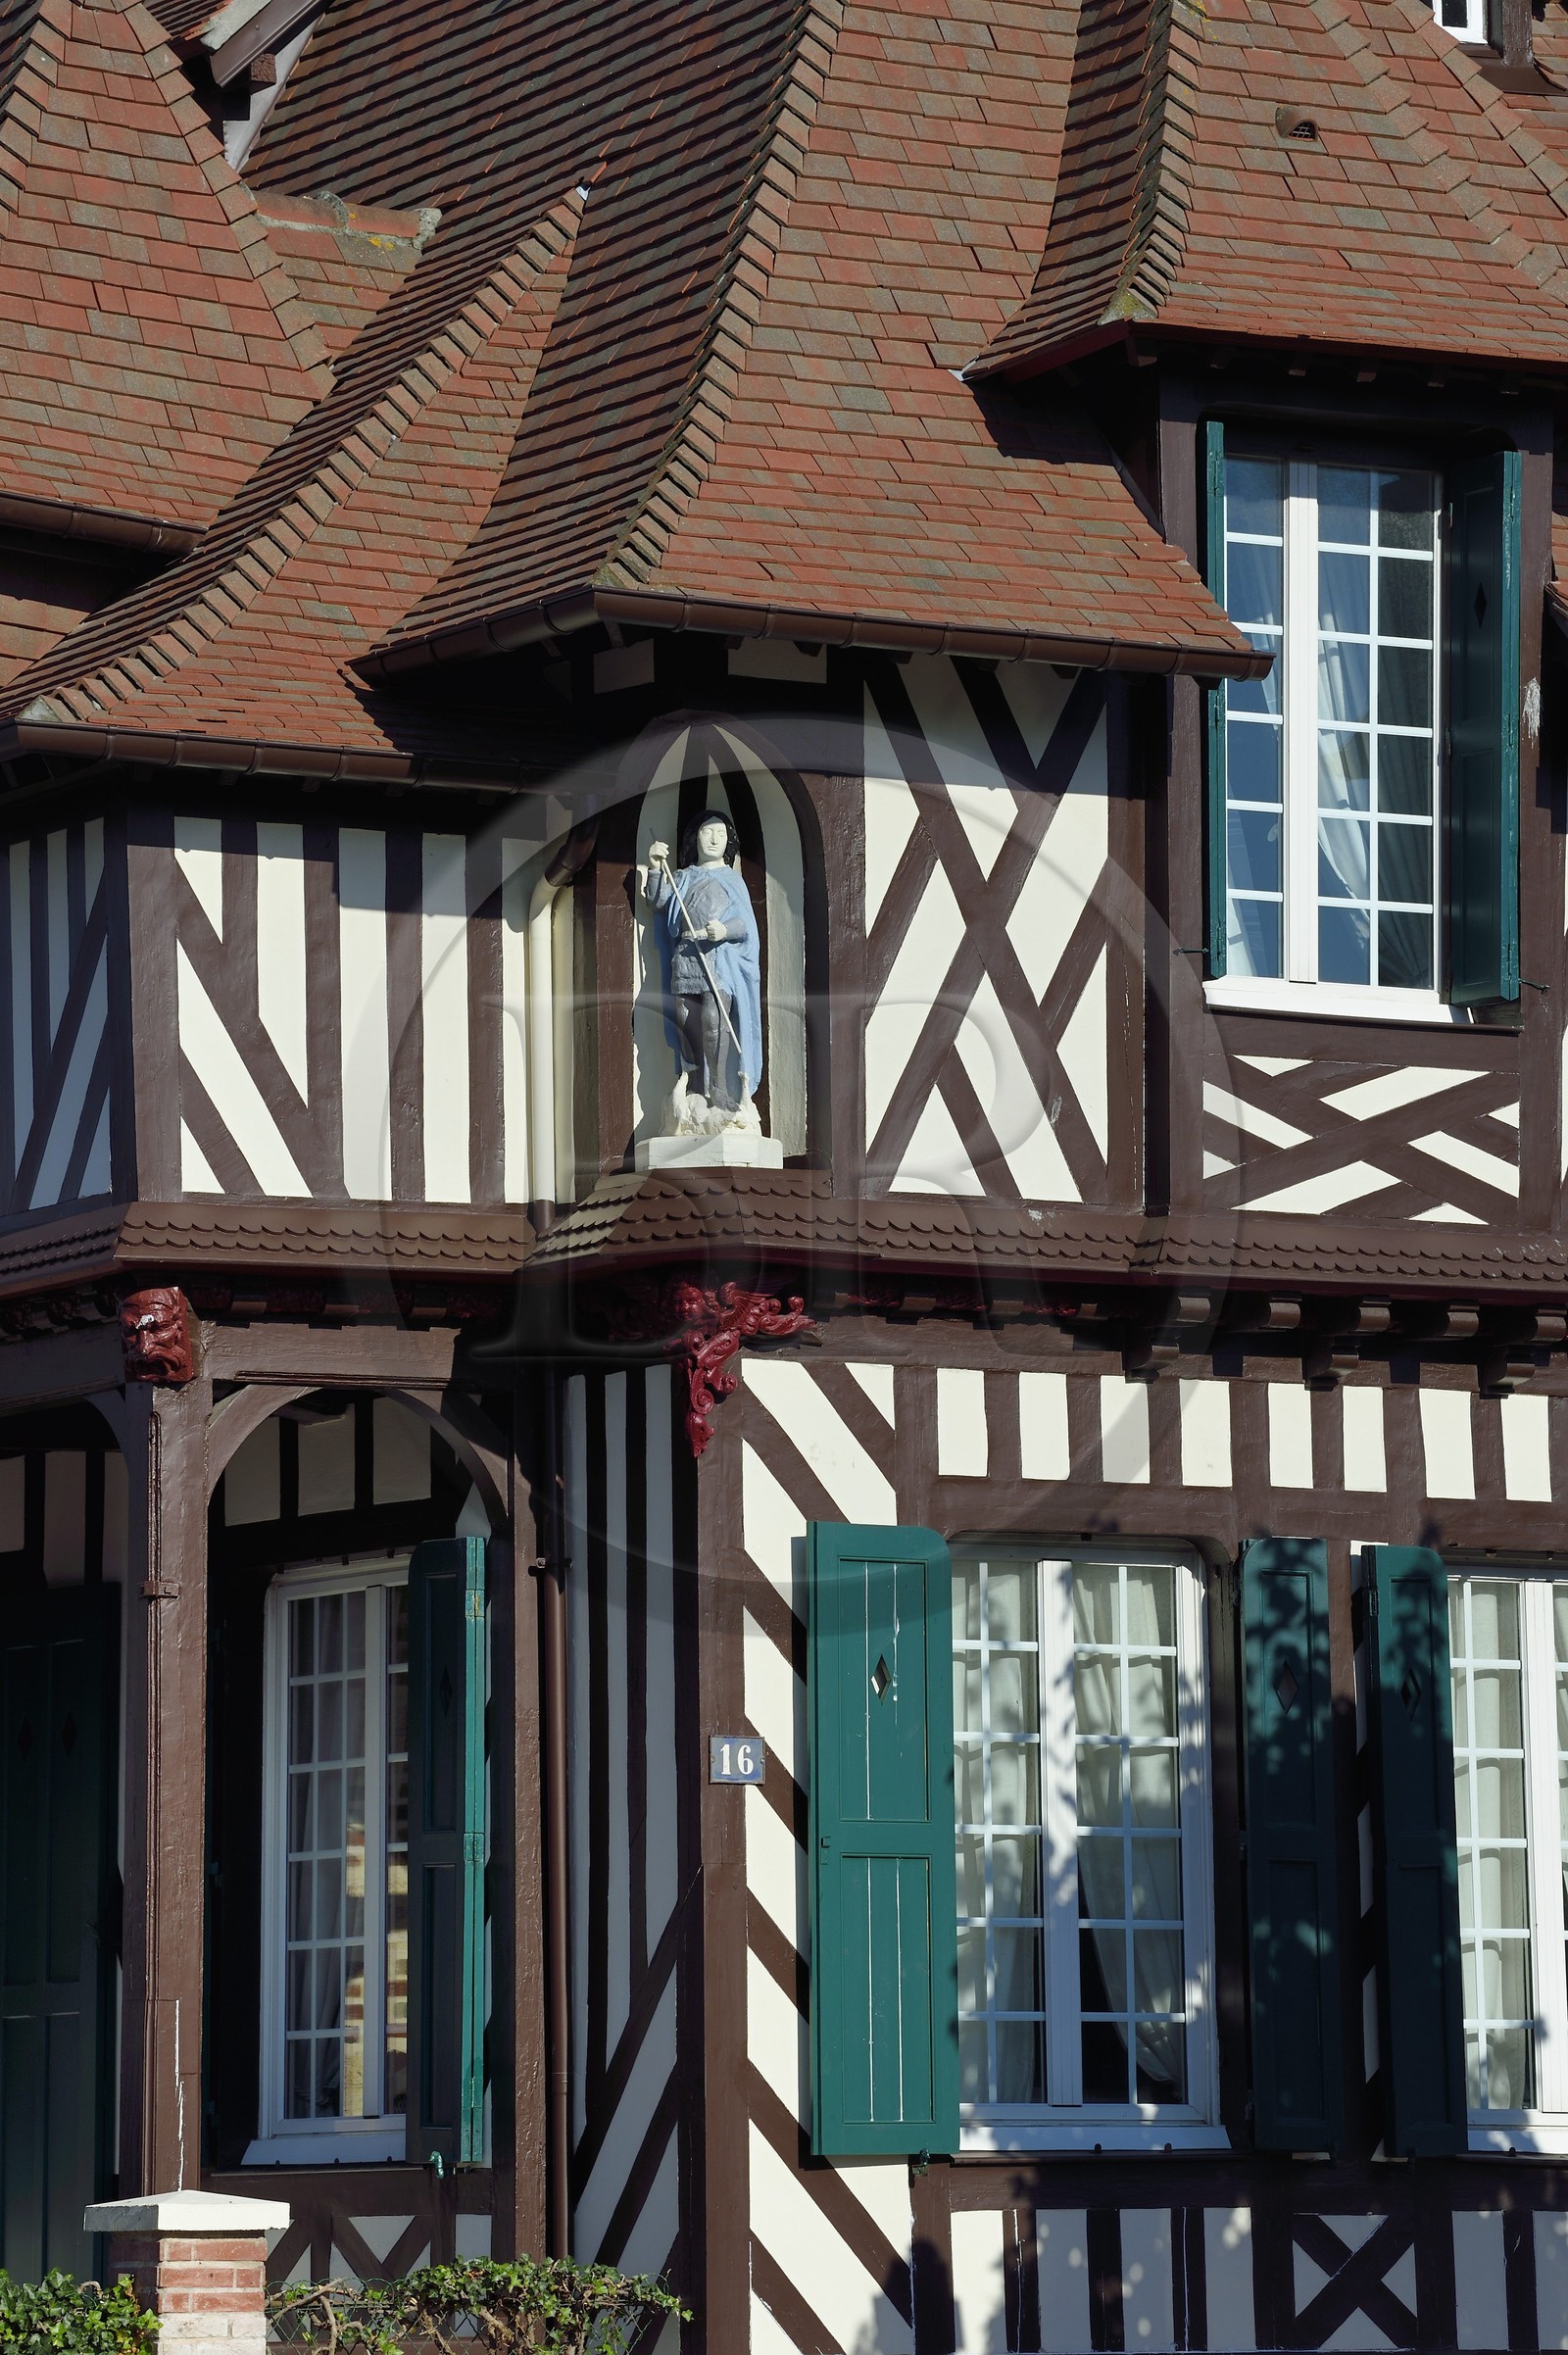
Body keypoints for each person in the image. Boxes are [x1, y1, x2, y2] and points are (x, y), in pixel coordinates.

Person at [641, 810, 762, 1120]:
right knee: (685, 1017)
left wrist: (724, 930)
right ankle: (695, 1082)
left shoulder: (733, 880)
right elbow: (658, 900)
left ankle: (718, 1087)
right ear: (694, 838)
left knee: (714, 1018)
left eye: (720, 834)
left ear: (728, 842)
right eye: (707, 832)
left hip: (718, 962)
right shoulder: (683, 877)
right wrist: (655, 866)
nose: (713, 839)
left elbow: (744, 925)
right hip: (686, 955)